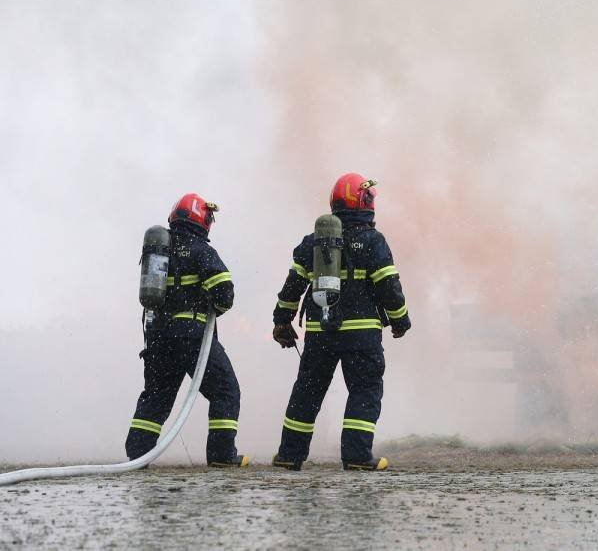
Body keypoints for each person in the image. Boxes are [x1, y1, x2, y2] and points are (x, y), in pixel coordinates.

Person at [270, 173, 411, 471]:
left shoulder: (313, 243)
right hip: (361, 335)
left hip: (320, 332)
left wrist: (282, 321)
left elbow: (292, 287)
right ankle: (357, 456)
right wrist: (400, 321)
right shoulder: (373, 241)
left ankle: (288, 455)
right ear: (365, 201)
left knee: (307, 390)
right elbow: (389, 286)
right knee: (364, 389)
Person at [126, 194, 246, 467]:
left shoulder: (159, 252)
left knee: (155, 396)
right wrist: (211, 302)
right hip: (191, 336)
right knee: (226, 391)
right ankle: (221, 456)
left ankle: (137, 455)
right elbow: (225, 292)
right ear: (202, 219)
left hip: (158, 336)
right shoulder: (201, 250)